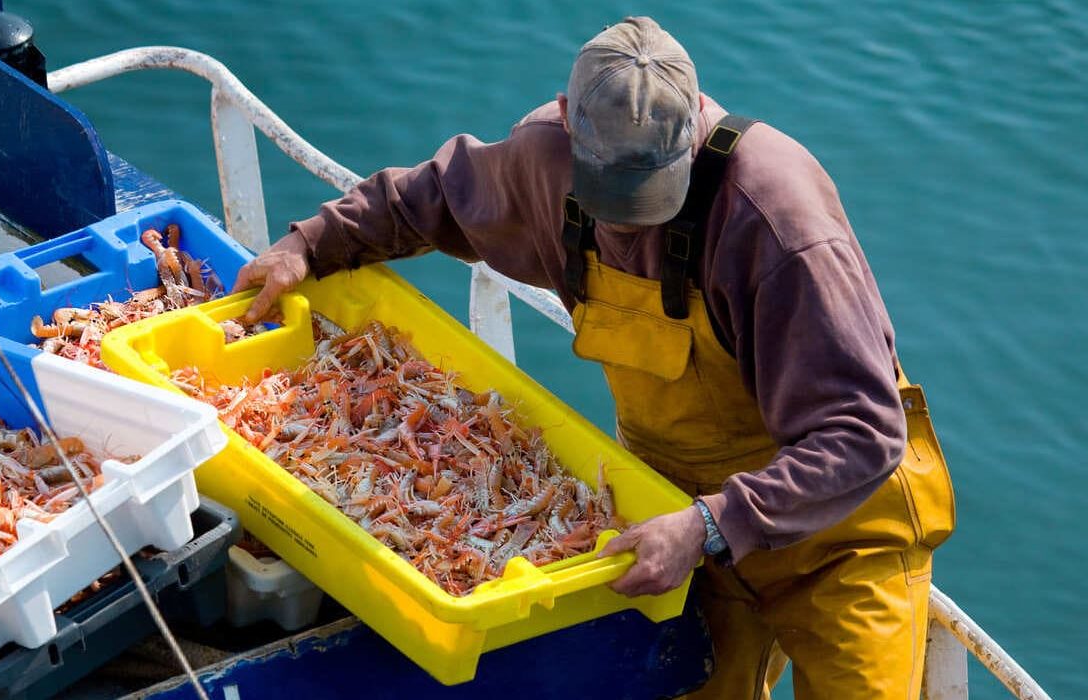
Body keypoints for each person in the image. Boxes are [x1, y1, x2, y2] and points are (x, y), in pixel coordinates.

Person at [233, 16, 956, 699]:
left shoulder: (778, 224)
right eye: (610, 196)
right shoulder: (545, 160)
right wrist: (308, 246)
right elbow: (429, 198)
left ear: (696, 131)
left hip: (840, 537)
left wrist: (711, 524)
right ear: (567, 121)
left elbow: (864, 436)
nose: (626, 222)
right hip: (676, 517)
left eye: (651, 197)